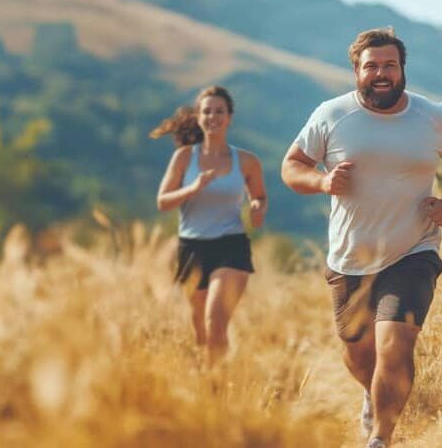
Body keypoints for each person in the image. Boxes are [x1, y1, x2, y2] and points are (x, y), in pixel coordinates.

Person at [281, 28, 442, 448]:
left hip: (414, 251)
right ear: (357, 71)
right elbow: (292, 165)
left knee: (395, 344)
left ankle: (381, 438)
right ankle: (372, 399)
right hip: (350, 258)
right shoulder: (332, 115)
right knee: (359, 354)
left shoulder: (431, 116)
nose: (382, 73)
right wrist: (322, 181)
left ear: (403, 68)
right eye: (372, 66)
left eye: (390, 65)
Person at [151, 85, 267, 364]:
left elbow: (260, 197)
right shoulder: (184, 158)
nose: (213, 117)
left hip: (231, 245)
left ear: (229, 117)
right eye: (207, 111)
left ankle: (218, 388)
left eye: (219, 111)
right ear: (198, 117)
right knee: (201, 329)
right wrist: (193, 187)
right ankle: (208, 382)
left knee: (215, 322)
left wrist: (256, 209)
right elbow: (163, 202)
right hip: (191, 247)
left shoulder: (247, 161)